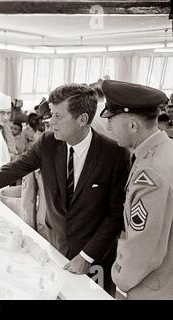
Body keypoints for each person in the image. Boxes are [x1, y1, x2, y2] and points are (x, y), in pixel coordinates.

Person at [0, 83, 130, 295]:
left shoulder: (114, 155)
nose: (51, 122)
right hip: (56, 247)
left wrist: (87, 256)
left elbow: (115, 215)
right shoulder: (49, 142)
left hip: (95, 258)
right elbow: (14, 169)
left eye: (58, 116)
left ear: (82, 119)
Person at [100, 80, 173, 300]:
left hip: (152, 287)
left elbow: (144, 248)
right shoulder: (166, 148)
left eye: (111, 120)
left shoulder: (150, 173)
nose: (108, 127)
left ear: (133, 125)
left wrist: (119, 279)